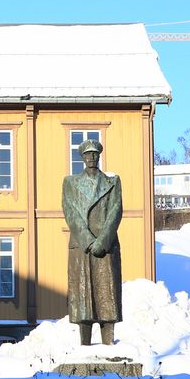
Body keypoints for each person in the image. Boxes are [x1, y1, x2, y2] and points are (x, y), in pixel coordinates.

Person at [61, 138, 123, 345]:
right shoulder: (70, 183)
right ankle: (84, 344)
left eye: (94, 154)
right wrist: (89, 241)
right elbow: (71, 213)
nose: (91, 158)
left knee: (107, 295)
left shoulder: (112, 182)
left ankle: (109, 342)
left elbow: (116, 211)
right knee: (83, 296)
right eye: (87, 154)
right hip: (82, 246)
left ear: (99, 156)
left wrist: (102, 241)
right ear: (82, 157)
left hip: (105, 246)